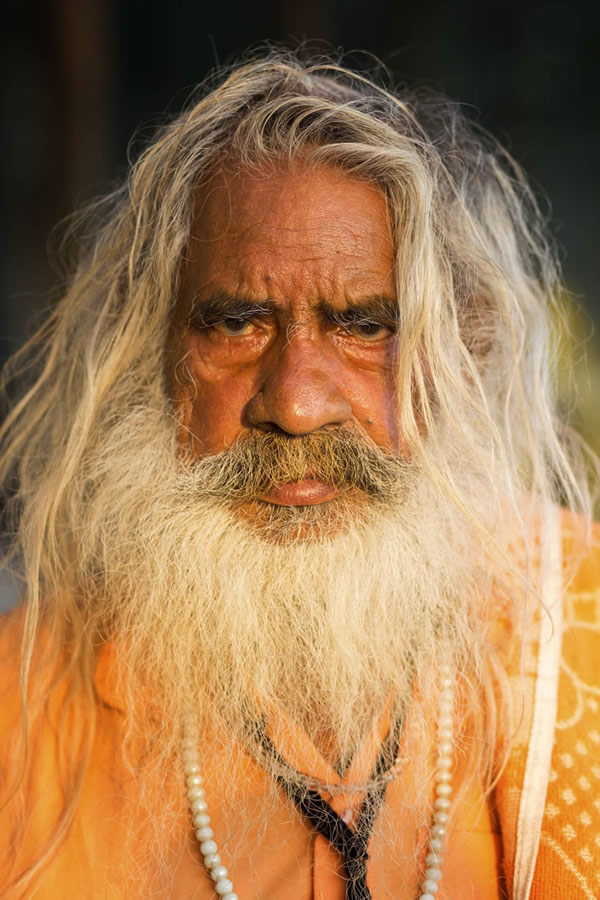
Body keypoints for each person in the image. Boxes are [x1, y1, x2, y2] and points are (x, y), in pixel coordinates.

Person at [0, 50, 599, 900]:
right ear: (156, 358)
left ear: (461, 352)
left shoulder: (576, 629)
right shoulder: (22, 715)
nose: (298, 403)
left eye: (364, 326)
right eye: (238, 322)